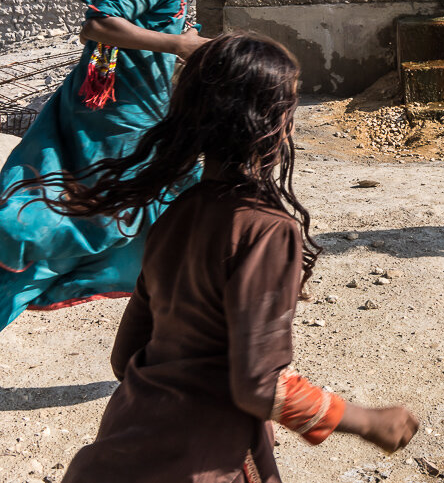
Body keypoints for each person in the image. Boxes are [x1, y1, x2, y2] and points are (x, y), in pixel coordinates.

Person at [1, 32, 419, 481]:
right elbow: (259, 385)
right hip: (201, 464)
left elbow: (125, 357)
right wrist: (366, 421)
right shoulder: (266, 230)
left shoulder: (174, 214)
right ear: (270, 124)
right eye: (289, 109)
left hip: (119, 448)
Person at [0, 0, 224, 329]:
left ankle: (163, 323)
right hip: (125, 122)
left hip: (105, 108)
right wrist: (178, 43)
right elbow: (99, 23)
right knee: (114, 218)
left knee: (127, 212)